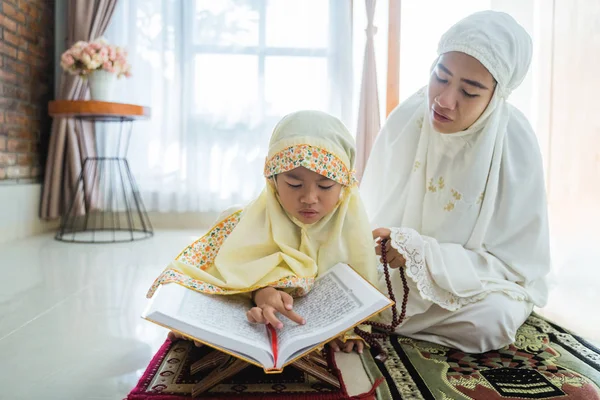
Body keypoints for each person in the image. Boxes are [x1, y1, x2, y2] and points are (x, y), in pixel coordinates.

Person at [361, 10, 551, 353]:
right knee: (351, 283)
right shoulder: (408, 118)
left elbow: (515, 265)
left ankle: (380, 316)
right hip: (399, 278)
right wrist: (392, 244)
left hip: (475, 286)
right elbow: (371, 221)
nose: (444, 100)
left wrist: (424, 254)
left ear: (496, 96)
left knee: (492, 321)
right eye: (441, 76)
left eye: (470, 90)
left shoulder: (515, 142)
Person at [147, 110, 379, 353]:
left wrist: (353, 327)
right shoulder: (246, 227)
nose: (309, 198)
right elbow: (222, 273)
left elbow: (361, 286)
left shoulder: (353, 234)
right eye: (294, 184)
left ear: (345, 185)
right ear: (273, 180)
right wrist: (262, 291)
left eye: (325, 185)